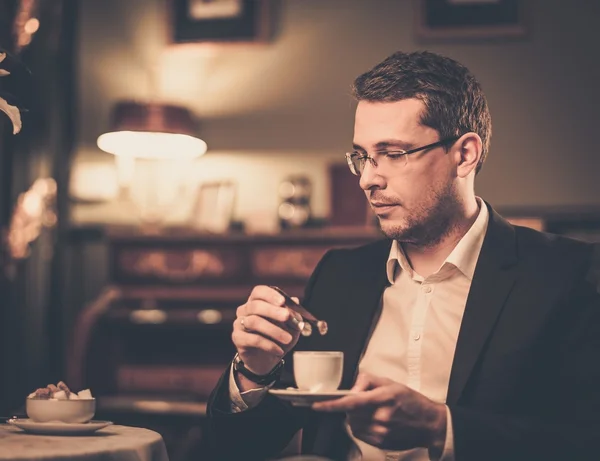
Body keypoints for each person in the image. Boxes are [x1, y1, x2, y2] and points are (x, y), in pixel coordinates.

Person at [207, 51, 600, 461]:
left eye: (393, 154)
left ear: (464, 154)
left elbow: (587, 442)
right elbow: (238, 447)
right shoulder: (339, 275)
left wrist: (443, 429)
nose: (367, 179)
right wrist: (254, 369)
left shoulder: (567, 274)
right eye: (362, 156)